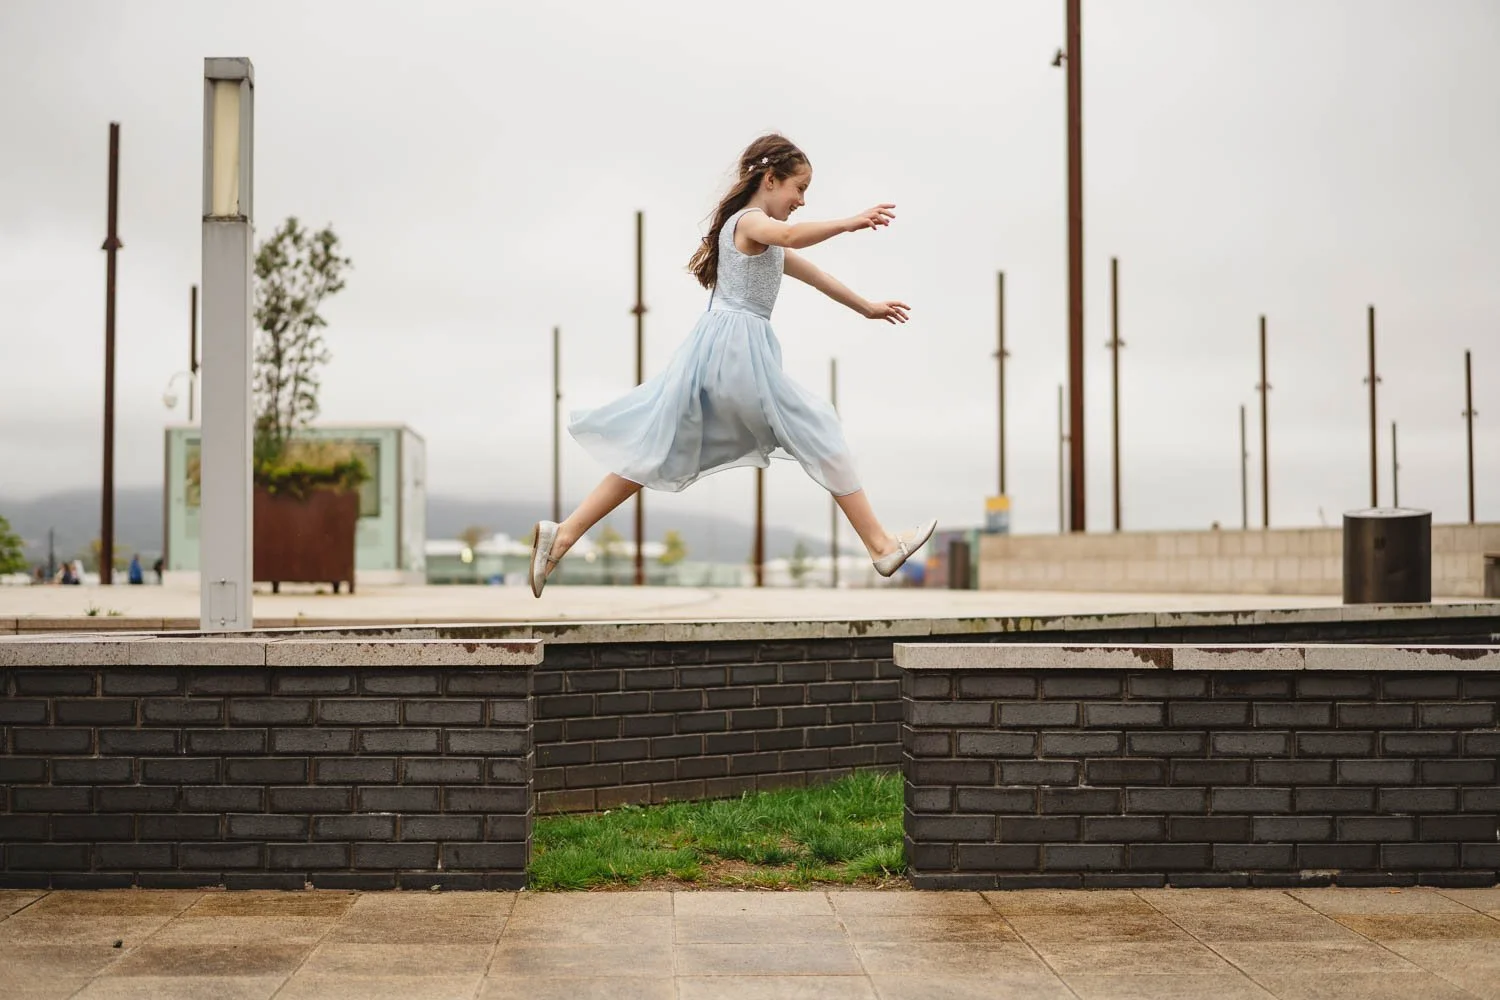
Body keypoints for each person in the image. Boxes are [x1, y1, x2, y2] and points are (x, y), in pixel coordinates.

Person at [530, 134, 935, 597]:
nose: (801, 200)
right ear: (770, 179)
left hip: (719, 351)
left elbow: (818, 276)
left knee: (656, 449)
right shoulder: (751, 222)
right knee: (818, 425)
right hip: (734, 349)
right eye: (798, 188)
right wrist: (849, 223)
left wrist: (867, 308)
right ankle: (881, 544)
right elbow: (786, 234)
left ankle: (562, 535)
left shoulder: (765, 241)